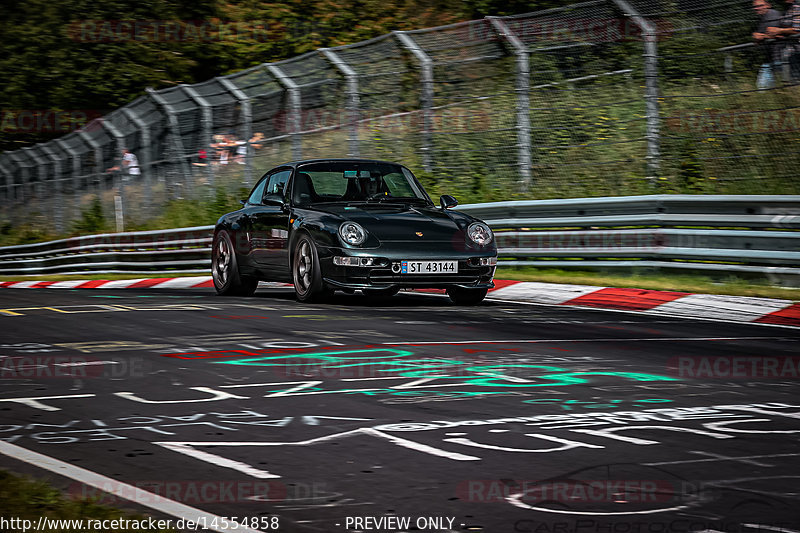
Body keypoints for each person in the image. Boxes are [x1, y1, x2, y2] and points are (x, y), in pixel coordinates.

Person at [766, 0, 800, 82]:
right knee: (791, 81)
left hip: (797, 52)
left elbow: (798, 30)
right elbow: (787, 31)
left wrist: (779, 31)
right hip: (790, 53)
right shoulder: (787, 9)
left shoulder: (797, 7)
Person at [753, 0, 783, 88]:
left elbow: (775, 33)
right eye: (755, 7)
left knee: (775, 86)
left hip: (780, 57)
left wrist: (761, 36)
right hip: (770, 58)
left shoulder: (773, 15)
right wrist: (757, 36)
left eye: (760, 6)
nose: (757, 8)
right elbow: (758, 37)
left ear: (768, 5)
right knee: (763, 87)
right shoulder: (762, 18)